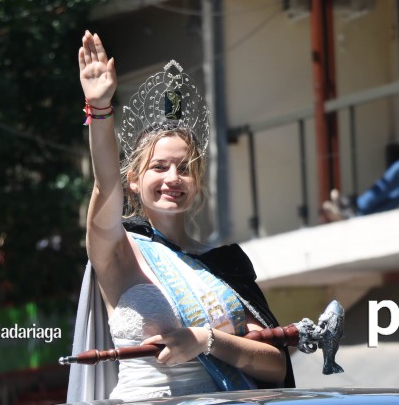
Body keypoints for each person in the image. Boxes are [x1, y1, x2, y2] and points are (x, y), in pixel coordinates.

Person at [67, 31, 292, 403]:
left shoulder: (225, 265)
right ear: (134, 180)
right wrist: (100, 108)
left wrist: (207, 340)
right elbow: (105, 185)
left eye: (184, 168)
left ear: (197, 183)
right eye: (159, 167)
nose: (173, 178)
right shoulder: (117, 250)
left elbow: (275, 366)